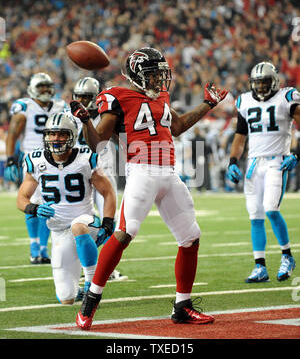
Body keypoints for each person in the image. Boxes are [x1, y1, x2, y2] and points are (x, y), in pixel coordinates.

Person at [70, 47, 228, 329]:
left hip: (169, 172)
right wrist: (85, 121)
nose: (158, 79)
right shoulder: (117, 95)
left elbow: (177, 126)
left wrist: (208, 105)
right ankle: (90, 302)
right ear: (135, 76)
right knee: (125, 232)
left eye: (160, 74)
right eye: (152, 74)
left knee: (191, 237)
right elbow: (99, 141)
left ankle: (182, 306)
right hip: (141, 171)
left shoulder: (162, 97)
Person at [16, 112, 116, 304]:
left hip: (86, 222)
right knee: (66, 297)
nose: (56, 139)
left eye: (61, 134)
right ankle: (76, 289)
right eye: (52, 134)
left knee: (78, 226)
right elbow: (22, 198)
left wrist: (108, 223)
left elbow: (108, 192)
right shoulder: (36, 160)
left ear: (72, 135)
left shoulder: (85, 157)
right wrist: (33, 209)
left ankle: (91, 282)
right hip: (59, 231)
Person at [227, 61, 300, 283]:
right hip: (253, 164)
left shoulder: (287, 97)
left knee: (271, 209)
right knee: (255, 215)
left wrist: (295, 153)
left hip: (277, 160)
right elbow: (240, 137)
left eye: (264, 83)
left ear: (274, 82)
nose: (259, 87)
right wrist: (232, 161)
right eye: (256, 83)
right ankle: (260, 266)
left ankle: (287, 256)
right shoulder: (244, 101)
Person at [5, 72, 67, 264]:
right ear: (32, 88)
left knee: (50, 202)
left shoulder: (60, 105)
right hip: (32, 158)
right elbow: (13, 134)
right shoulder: (24, 106)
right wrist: (10, 159)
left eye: (48, 86)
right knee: (33, 201)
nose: (45, 90)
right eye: (41, 86)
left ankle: (42, 247)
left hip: (56, 157)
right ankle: (34, 246)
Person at [72, 77, 127, 282]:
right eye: (79, 96)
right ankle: (81, 263)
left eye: (86, 96)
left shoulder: (108, 116)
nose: (82, 100)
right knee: (78, 222)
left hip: (104, 172)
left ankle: (103, 267)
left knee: (109, 223)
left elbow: (124, 140)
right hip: (81, 174)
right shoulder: (69, 117)